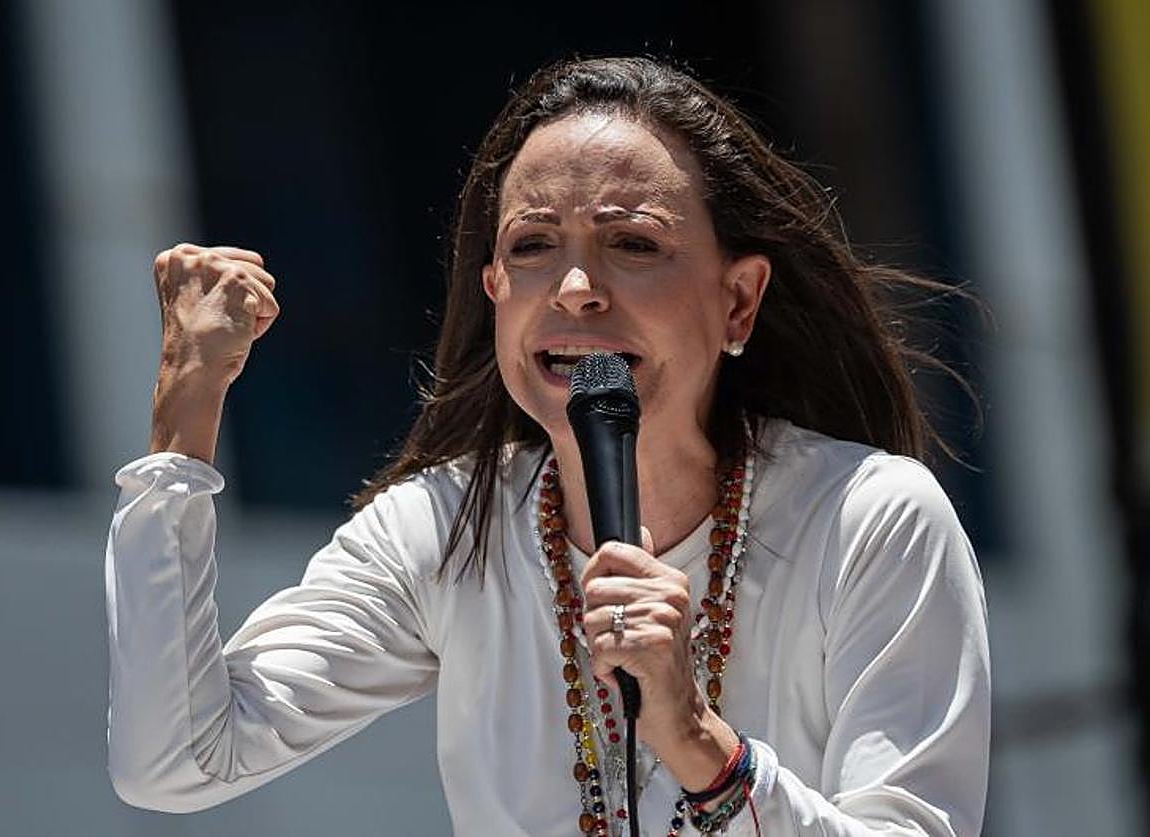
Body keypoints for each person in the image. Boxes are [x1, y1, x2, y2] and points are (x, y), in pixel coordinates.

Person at [105, 56, 990, 836]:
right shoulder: (443, 527)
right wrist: (186, 406)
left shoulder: (871, 518)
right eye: (532, 245)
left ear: (738, 302)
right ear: (495, 289)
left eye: (631, 242)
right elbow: (175, 760)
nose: (574, 288)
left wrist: (700, 744)